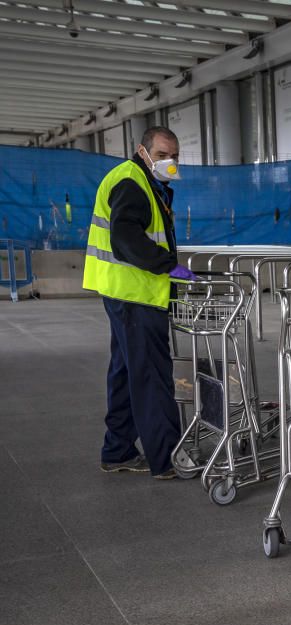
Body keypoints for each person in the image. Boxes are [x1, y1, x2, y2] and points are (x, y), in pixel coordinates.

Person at [82, 126, 198, 480]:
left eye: (174, 156)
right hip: (136, 294)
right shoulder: (133, 182)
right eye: (162, 155)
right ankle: (167, 459)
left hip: (123, 292)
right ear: (142, 151)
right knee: (151, 375)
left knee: (125, 372)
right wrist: (169, 266)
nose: (170, 162)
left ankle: (117, 450)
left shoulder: (146, 182)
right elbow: (125, 237)